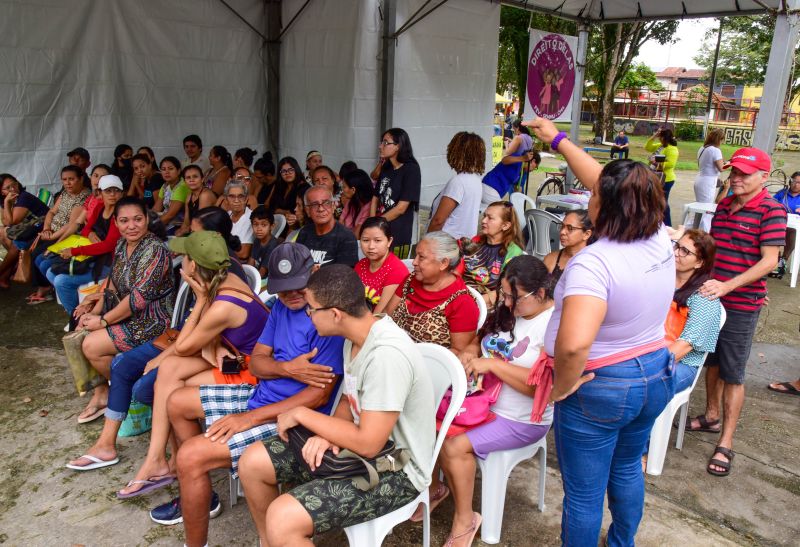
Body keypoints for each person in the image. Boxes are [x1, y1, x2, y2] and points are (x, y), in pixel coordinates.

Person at [524, 116, 675, 546]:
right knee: (627, 467)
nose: (589, 194)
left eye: (592, 194)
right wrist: (556, 139)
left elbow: (573, 345)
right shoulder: (660, 235)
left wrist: (562, 388)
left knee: (585, 496)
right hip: (653, 372)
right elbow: (611, 182)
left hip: (601, 386)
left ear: (604, 207)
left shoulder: (595, 261)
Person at [238, 264, 435, 547]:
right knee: (252, 462)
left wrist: (302, 414)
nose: (307, 315)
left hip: (398, 469)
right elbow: (348, 398)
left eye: (312, 309)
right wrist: (326, 434)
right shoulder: (353, 337)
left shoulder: (385, 356)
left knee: (283, 517)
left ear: (334, 314)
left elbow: (368, 443)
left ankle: (281, 537)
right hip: (359, 446)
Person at [159, 243, 345, 543]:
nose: (292, 295)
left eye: (298, 286)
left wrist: (248, 418)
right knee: (177, 402)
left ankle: (197, 525)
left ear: (315, 272)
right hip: (263, 395)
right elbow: (257, 364)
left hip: (291, 416)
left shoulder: (326, 315)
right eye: (284, 289)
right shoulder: (282, 307)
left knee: (191, 456)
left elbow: (318, 396)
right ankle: (198, 490)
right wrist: (288, 369)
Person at [118, 229, 269, 498]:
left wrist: (198, 302)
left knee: (175, 392)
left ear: (194, 266)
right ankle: (159, 459)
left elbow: (187, 344)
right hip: (234, 358)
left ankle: (185, 468)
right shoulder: (227, 277)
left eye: (184, 256)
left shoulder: (222, 301)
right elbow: (203, 338)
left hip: (253, 373)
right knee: (170, 369)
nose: (180, 260)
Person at [432, 255, 555, 545]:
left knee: (453, 445)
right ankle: (435, 488)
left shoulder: (552, 327)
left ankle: (465, 518)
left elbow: (543, 390)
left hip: (522, 419)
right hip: (481, 405)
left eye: (515, 297)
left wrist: (495, 366)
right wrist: (471, 352)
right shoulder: (510, 311)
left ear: (540, 293)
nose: (508, 303)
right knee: (429, 424)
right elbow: (481, 338)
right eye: (505, 295)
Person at [691, 147, 786, 477]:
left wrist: (731, 286)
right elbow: (715, 250)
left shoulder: (772, 211)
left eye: (745, 174)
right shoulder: (724, 205)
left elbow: (770, 261)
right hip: (713, 299)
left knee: (733, 372)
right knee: (712, 362)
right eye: (734, 172)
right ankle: (711, 415)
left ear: (763, 177)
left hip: (741, 304)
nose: (737, 178)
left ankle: (726, 442)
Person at [74, 197, 174, 426]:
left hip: (153, 322)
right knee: (79, 321)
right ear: (117, 224)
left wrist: (103, 321)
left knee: (90, 345)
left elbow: (138, 299)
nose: (132, 225)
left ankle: (128, 393)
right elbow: (113, 282)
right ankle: (104, 393)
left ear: (147, 219)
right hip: (127, 315)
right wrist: (95, 309)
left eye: (138, 219)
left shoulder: (155, 250)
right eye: (124, 220)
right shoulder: (121, 244)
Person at [385, 231, 479, 354]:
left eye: (421, 257)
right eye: (416, 256)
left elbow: (458, 353)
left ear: (444, 263)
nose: (414, 262)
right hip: (391, 351)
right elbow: (386, 317)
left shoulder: (462, 302)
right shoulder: (410, 280)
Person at [49, 175, 124, 317]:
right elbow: (85, 229)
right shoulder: (100, 207)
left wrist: (74, 251)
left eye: (116, 191)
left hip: (110, 263)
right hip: (94, 257)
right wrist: (89, 233)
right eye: (108, 191)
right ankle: (79, 311)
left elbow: (108, 246)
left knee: (61, 281)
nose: (113, 194)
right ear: (100, 193)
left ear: (122, 193)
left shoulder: (119, 214)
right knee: (51, 271)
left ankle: (76, 317)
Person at [666, 230, 722, 393]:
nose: (676, 252)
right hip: (647, 351)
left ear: (699, 263)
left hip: (680, 363)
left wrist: (646, 366)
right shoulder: (660, 278)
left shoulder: (703, 296)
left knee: (636, 384)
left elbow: (685, 345)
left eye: (685, 251)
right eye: (677, 246)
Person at [29, 166, 90, 304]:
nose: (67, 183)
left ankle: (46, 288)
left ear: (81, 179)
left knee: (39, 257)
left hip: (66, 236)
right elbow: (51, 212)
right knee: (30, 249)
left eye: (71, 179)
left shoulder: (84, 197)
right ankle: (46, 287)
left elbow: (72, 226)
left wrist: (54, 240)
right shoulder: (65, 194)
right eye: (64, 179)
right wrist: (46, 228)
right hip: (52, 232)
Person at [370, 128, 421, 256]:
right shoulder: (386, 167)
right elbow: (375, 198)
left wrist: (376, 223)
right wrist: (371, 222)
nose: (380, 146)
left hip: (398, 233)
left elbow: (401, 208)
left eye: (386, 143)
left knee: (395, 269)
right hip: (379, 229)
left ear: (398, 146)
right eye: (381, 142)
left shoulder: (411, 169)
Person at [461, 201, 524, 305]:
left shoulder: (513, 252)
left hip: (484, 304)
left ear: (505, 225)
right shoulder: (476, 241)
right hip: (461, 294)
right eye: (484, 216)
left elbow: (506, 291)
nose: (484, 220)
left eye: (490, 218)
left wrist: (472, 302)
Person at [428, 132, 485, 239]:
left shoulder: (458, 182)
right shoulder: (476, 179)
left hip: (446, 245)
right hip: (462, 243)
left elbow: (438, 221)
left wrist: (426, 241)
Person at [0, 174, 49, 287]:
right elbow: (6, 222)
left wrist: (7, 204)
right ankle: (5, 276)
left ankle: (4, 274)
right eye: (7, 188)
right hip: (29, 228)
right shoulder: (5, 199)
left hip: (42, 228)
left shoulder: (24, 197)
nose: (12, 189)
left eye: (14, 184)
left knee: (16, 243)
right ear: (1, 192)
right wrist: (6, 203)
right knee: (6, 234)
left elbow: (12, 222)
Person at [355, 217, 409, 314]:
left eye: (377, 240)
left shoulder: (397, 271)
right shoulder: (361, 265)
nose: (371, 246)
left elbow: (380, 315)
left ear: (389, 241)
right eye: (365, 240)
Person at [295, 185, 358, 268]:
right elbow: (296, 267)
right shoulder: (304, 233)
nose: (321, 209)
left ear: (333, 206)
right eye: (314, 204)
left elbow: (344, 276)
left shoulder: (346, 237)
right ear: (307, 211)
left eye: (326, 203)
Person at [481, 120, 536, 209]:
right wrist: (522, 158)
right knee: (500, 214)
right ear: (531, 160)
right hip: (490, 188)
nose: (533, 169)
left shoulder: (520, 166)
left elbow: (516, 187)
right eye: (535, 167)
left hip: (493, 190)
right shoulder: (518, 156)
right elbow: (505, 160)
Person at [543, 210, 593, 282]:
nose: (562, 232)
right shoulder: (550, 259)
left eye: (570, 228)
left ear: (586, 234)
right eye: (562, 226)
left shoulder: (591, 264)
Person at [645, 127, 679, 226]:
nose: (659, 139)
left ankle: (667, 225)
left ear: (665, 138)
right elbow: (647, 147)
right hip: (655, 177)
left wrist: (656, 162)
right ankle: (656, 223)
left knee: (662, 203)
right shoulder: (660, 146)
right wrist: (654, 136)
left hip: (666, 179)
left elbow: (670, 164)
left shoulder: (672, 149)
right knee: (655, 202)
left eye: (660, 137)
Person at [694, 129, 725, 231]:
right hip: (708, 181)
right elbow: (721, 168)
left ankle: (696, 229)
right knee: (707, 210)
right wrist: (729, 163)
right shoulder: (715, 150)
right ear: (719, 139)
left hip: (700, 178)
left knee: (700, 209)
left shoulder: (703, 148)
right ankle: (705, 232)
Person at [771, 171, 800, 277]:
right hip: (779, 222)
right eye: (794, 181)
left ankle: (783, 260)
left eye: (799, 182)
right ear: (790, 180)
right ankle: (775, 259)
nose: (796, 184)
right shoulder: (782, 193)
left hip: (795, 226)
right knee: (773, 231)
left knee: (792, 231)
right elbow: (771, 203)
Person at [175, 164, 215, 236]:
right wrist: (180, 231)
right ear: (184, 181)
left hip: (209, 233)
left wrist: (184, 231)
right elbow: (186, 222)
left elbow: (201, 223)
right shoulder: (189, 196)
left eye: (195, 177)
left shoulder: (205, 195)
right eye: (188, 177)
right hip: (194, 231)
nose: (191, 180)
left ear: (202, 179)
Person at [152, 156, 188, 234]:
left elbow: (170, 215)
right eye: (163, 169)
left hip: (178, 226)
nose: (167, 172)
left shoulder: (182, 186)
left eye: (171, 169)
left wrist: (151, 227)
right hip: (165, 222)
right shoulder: (165, 186)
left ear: (178, 171)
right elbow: (156, 209)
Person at [224, 179, 254, 260]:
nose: (236, 200)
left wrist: (217, 249)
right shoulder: (226, 215)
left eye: (241, 196)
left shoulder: (252, 218)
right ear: (226, 199)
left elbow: (243, 253)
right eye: (232, 196)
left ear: (246, 199)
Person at [339, 168, 374, 235]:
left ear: (353, 190)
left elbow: (357, 235)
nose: (342, 190)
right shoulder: (351, 202)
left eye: (344, 187)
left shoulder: (369, 206)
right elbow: (341, 222)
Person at [249, 206, 280, 278]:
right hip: (257, 274)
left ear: (272, 226)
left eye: (263, 225)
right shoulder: (257, 240)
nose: (259, 229)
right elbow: (251, 262)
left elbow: (262, 272)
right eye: (256, 224)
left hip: (268, 279)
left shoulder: (273, 244)